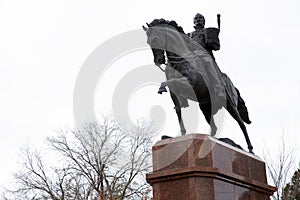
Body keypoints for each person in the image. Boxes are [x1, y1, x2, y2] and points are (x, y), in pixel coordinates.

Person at [189, 13, 226, 104]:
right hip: (192, 56)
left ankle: (218, 90)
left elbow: (215, 45)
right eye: (196, 18)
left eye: (200, 18)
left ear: (204, 21)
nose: (198, 19)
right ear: (194, 21)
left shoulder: (206, 32)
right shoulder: (190, 35)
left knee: (208, 63)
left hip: (204, 55)